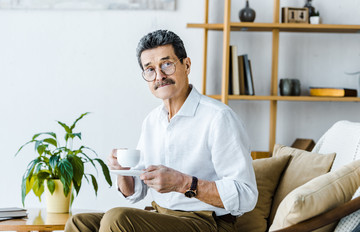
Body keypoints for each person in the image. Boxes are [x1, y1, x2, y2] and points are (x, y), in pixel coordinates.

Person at [65, 29, 258, 232]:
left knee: (117, 218)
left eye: (167, 64)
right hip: (162, 215)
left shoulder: (218, 118)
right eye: (150, 69)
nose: (159, 76)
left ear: (187, 65)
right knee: (79, 223)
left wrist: (183, 183)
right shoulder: (152, 121)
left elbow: (246, 196)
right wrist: (122, 172)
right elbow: (135, 193)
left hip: (207, 222)